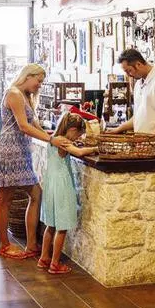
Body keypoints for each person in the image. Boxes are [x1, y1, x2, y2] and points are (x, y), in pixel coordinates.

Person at [108, 49, 155, 261]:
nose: (128, 74)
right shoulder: (140, 83)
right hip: (145, 145)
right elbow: (141, 116)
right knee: (150, 193)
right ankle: (153, 243)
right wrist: (119, 129)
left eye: (128, 70)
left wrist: (153, 139)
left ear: (138, 64)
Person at [0, 63, 73, 260]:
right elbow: (23, 126)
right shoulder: (13, 93)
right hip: (9, 151)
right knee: (5, 199)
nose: (40, 85)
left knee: (36, 194)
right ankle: (4, 245)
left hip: (22, 151)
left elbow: (35, 126)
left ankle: (31, 245)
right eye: (39, 81)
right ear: (28, 76)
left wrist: (56, 136)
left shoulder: (27, 97)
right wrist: (52, 140)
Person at [37, 112, 98, 274]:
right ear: (71, 129)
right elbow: (78, 153)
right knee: (62, 227)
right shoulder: (63, 141)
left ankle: (44, 257)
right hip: (61, 185)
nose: (78, 137)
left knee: (50, 225)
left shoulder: (53, 138)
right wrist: (96, 148)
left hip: (50, 184)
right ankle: (55, 263)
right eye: (78, 133)